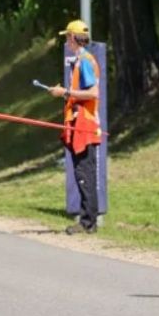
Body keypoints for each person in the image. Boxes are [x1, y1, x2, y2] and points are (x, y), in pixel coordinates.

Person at [49, 19, 102, 234]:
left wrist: (66, 93)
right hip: (80, 123)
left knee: (84, 172)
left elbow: (93, 93)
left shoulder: (85, 61)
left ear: (73, 38)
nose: (67, 41)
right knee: (83, 171)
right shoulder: (81, 60)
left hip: (85, 125)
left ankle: (88, 222)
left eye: (67, 37)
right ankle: (87, 220)